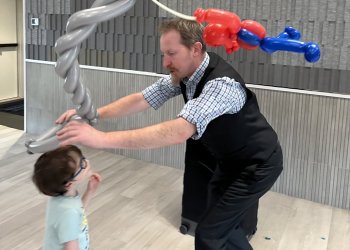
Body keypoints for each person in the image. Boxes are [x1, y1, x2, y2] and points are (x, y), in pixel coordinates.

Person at [56, 18, 283, 250]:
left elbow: (178, 131)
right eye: (164, 53)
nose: (165, 62)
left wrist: (100, 138)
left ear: (196, 49)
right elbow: (143, 98)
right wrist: (93, 115)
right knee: (223, 225)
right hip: (230, 162)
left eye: (171, 53)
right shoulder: (186, 74)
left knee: (209, 234)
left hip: (258, 164)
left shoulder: (221, 85)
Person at [32, 145, 102, 250]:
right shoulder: (68, 212)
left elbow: (79, 213)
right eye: (82, 165)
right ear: (69, 184)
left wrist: (90, 191)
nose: (87, 161)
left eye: (83, 158)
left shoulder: (61, 197)